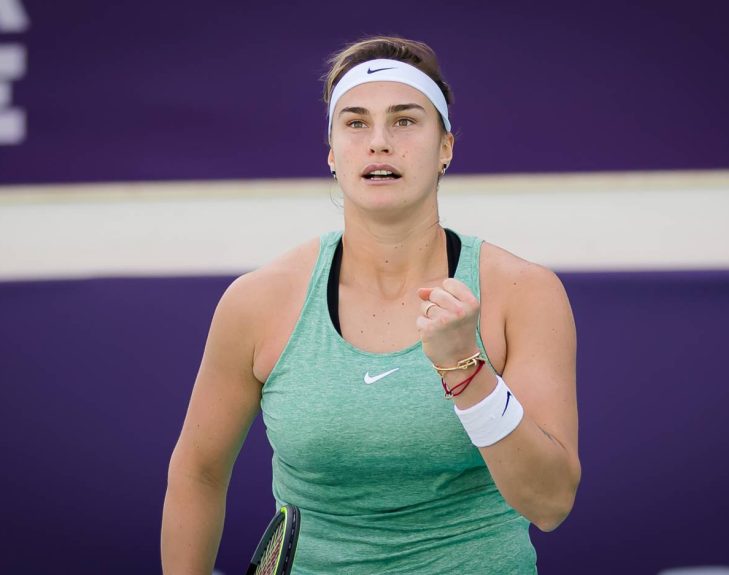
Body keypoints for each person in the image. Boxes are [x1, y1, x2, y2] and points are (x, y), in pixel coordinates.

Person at [161, 36, 580, 574]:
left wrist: (467, 372)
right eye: (356, 123)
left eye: (405, 121)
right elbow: (197, 473)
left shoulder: (525, 292)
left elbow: (550, 503)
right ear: (332, 154)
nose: (379, 142)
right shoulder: (257, 302)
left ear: (446, 147)